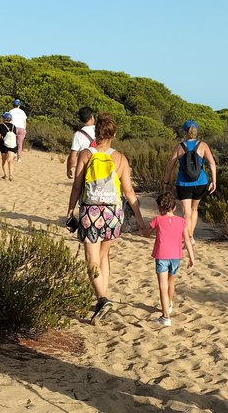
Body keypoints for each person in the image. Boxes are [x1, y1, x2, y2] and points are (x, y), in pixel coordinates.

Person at [67, 113, 147, 320]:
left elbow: (77, 186)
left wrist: (69, 211)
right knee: (104, 256)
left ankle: (102, 298)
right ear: (113, 134)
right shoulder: (120, 158)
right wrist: (139, 218)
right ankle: (102, 299)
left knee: (90, 258)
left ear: (96, 132)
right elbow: (129, 192)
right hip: (113, 213)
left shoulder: (86, 154)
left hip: (90, 211)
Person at [163, 120, 216, 242]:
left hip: (183, 183)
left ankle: (188, 237)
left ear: (185, 132)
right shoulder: (203, 145)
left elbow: (170, 165)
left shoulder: (179, 146)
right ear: (196, 131)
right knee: (194, 209)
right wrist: (214, 180)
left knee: (186, 212)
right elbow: (212, 163)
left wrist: (166, 182)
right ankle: (190, 236)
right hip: (200, 182)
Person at [148, 190, 194, 327]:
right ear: (174, 207)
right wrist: (192, 257)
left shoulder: (157, 220)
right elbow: (187, 240)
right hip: (176, 256)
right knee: (171, 282)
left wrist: (141, 229)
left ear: (160, 208)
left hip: (162, 255)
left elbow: (146, 233)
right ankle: (169, 304)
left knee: (163, 286)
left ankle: (165, 316)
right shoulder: (181, 221)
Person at [66, 106, 96, 179]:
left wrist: (69, 169)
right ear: (92, 117)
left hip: (84, 169)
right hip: (99, 167)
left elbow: (73, 156)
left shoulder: (78, 134)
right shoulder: (99, 131)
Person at [0, 112, 18, 180]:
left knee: (4, 161)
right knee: (10, 161)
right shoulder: (13, 126)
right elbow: (15, 136)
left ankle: (5, 174)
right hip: (12, 145)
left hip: (3, 145)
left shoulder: (1, 126)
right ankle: (11, 175)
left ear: (4, 119)